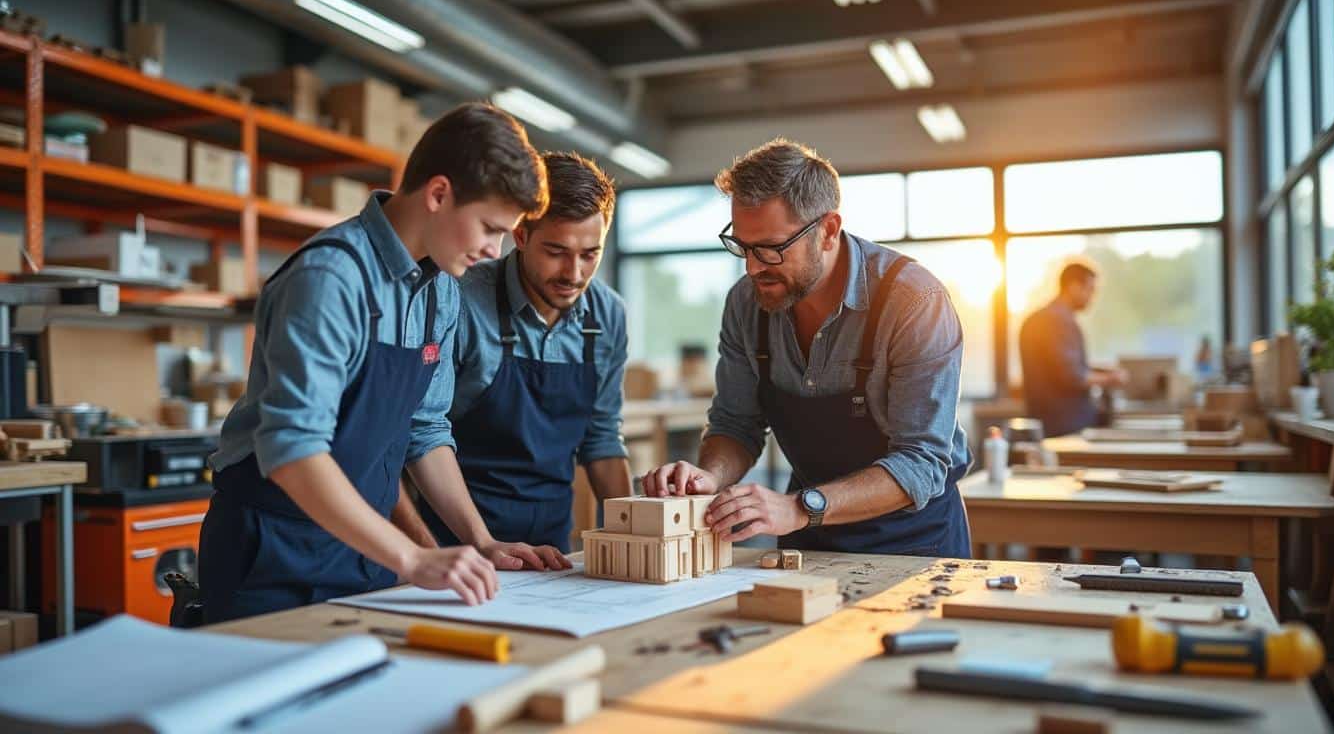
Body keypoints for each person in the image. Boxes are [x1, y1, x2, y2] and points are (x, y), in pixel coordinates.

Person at [198, 103, 563, 624]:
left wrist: (481, 542)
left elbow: (425, 429)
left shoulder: (441, 290)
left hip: (364, 549)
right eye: (489, 227)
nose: (494, 250)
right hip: (274, 549)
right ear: (438, 194)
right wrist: (412, 558)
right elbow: (293, 450)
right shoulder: (330, 279)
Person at [640, 139, 972, 557]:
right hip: (807, 538)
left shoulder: (913, 301)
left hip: (913, 541)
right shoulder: (746, 303)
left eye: (771, 249)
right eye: (743, 246)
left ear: (828, 231)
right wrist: (709, 476)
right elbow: (736, 424)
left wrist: (798, 507)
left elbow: (921, 462)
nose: (753, 267)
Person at [396, 152, 630, 552]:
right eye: (556, 251)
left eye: (590, 254)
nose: (574, 274)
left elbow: (602, 437)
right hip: (456, 544)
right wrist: (432, 553)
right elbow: (416, 432)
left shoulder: (608, 314)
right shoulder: (460, 299)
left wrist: (638, 536)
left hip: (553, 548)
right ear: (520, 235)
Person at [1018, 262, 1128, 437]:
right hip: (1064, 425)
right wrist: (1110, 378)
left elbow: (1064, 365)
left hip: (1051, 420)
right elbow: (1072, 375)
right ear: (1074, 287)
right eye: (1090, 290)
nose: (1092, 297)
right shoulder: (1057, 320)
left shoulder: (1044, 318)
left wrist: (1102, 371)